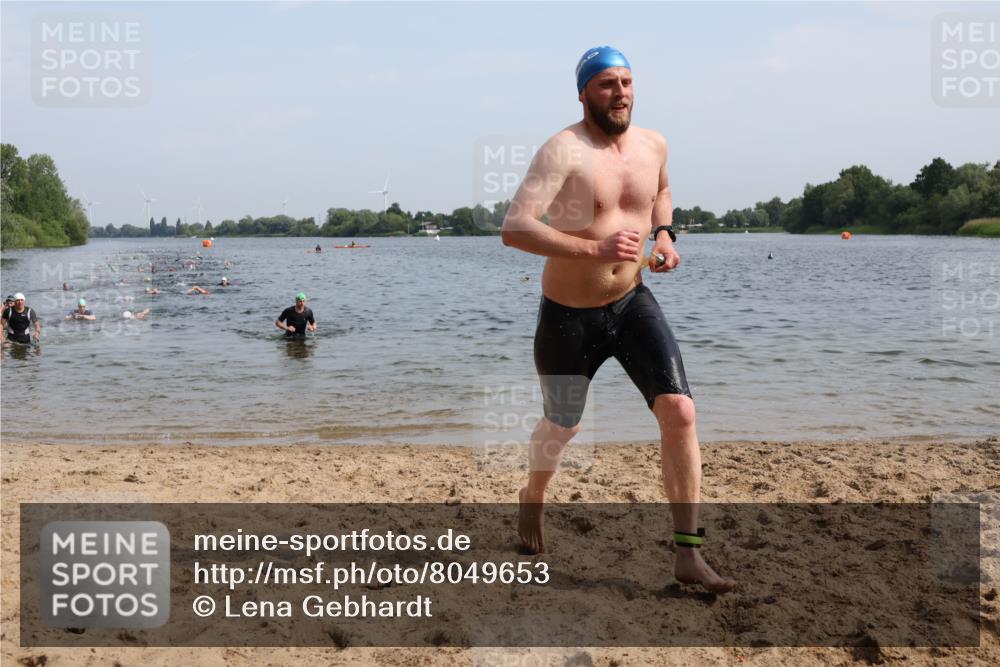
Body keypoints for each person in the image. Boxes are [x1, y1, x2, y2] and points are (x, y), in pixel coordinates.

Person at [500, 46, 735, 593]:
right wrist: (593, 249)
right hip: (567, 317)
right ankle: (533, 495)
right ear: (583, 92)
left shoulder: (654, 144)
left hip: (632, 302)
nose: (620, 92)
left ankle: (688, 554)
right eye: (606, 84)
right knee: (563, 425)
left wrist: (665, 234)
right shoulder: (563, 150)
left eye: (626, 82)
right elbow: (514, 228)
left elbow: (663, 191)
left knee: (679, 411)